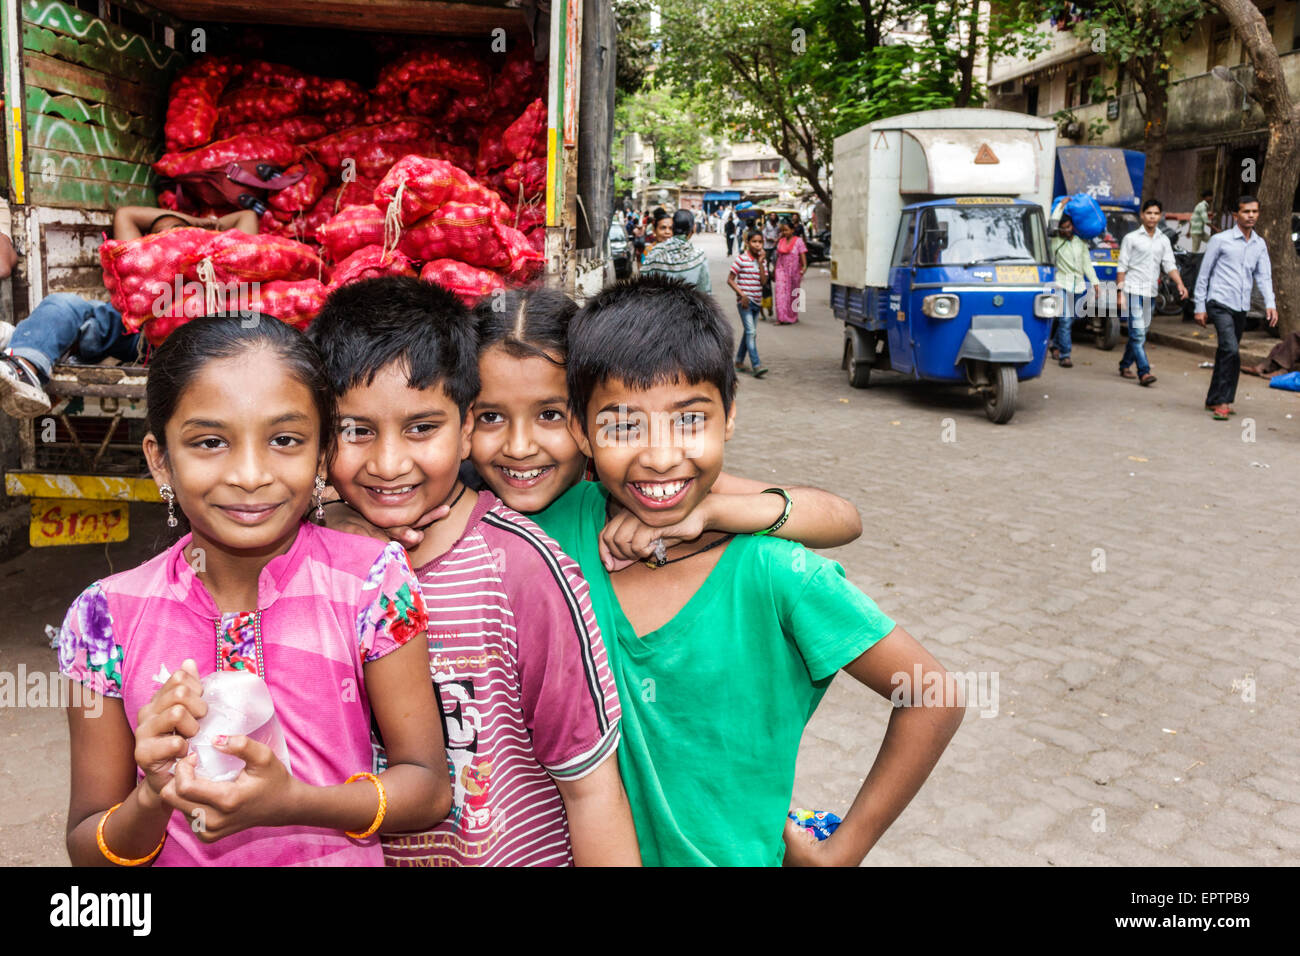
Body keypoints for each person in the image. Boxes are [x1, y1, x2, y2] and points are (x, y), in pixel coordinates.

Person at [530, 275, 964, 866]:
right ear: (581, 429)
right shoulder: (546, 534)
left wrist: (844, 851)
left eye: (690, 420)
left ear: (729, 417)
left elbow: (933, 695)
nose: (660, 455)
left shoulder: (773, 572)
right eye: (623, 424)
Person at [57, 315, 450, 866]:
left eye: (284, 439)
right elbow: (87, 849)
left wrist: (297, 802)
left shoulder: (371, 582)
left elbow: (428, 789)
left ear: (322, 453)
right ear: (160, 460)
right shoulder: (104, 618)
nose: (249, 473)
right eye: (210, 442)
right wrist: (154, 793)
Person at [310, 278, 639, 866]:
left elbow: (590, 787)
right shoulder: (308, 560)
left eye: (420, 428)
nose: (389, 464)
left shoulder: (521, 569)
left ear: (463, 429)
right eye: (355, 430)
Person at [0, 206, 258, 418]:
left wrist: (197, 225)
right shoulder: (143, 259)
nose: (167, 236)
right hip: (139, 337)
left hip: (198, 343)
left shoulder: (226, 261)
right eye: (158, 234)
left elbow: (247, 216)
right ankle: (24, 366)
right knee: (63, 303)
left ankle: (25, 341)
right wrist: (178, 227)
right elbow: (126, 214)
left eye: (176, 231)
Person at [1193, 194, 1276, 420]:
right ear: (1235, 214)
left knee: (1225, 352)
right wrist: (1199, 306)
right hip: (1219, 302)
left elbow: (1264, 276)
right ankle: (1223, 401)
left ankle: (1212, 398)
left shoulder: (1259, 244)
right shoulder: (1221, 240)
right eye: (1246, 211)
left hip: (1241, 306)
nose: (1250, 216)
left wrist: (1271, 304)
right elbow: (1204, 274)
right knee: (1231, 349)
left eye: (1254, 212)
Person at [1116, 198, 1187, 387]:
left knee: (1140, 333)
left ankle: (1124, 364)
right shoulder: (1130, 239)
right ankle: (1144, 372)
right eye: (1149, 213)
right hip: (1132, 290)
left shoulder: (1163, 240)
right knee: (1138, 334)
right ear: (1142, 215)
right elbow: (1122, 267)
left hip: (1150, 293)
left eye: (1156, 214)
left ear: (1160, 216)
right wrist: (1120, 293)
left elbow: (1169, 264)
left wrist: (1180, 283)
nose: (1152, 217)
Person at [1049, 213, 1101, 368]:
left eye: (1068, 227)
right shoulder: (1055, 242)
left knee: (1071, 319)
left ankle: (1055, 344)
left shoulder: (1081, 243)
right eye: (1063, 228)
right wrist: (1061, 206)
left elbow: (1087, 265)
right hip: (1061, 284)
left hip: (1078, 286)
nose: (1066, 230)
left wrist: (1095, 283)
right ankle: (1065, 355)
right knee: (1065, 319)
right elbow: (1052, 222)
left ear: (1073, 226)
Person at [728, 229, 769, 377]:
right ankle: (756, 365)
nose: (757, 245)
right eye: (754, 242)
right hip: (745, 302)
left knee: (748, 333)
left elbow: (763, 282)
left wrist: (760, 263)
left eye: (760, 242)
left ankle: (738, 361)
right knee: (751, 332)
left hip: (757, 303)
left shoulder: (762, 260)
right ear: (747, 243)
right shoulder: (741, 259)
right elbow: (730, 280)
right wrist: (742, 294)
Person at [641, 209, 711, 293]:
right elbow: (705, 292)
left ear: (673, 227)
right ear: (694, 228)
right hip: (688, 305)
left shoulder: (654, 253)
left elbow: (643, 287)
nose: (666, 232)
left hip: (660, 305)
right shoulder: (699, 256)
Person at [772, 219, 807, 325]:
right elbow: (778, 256)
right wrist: (774, 270)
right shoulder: (781, 241)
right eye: (783, 230)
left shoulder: (798, 241)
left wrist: (803, 268)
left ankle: (792, 316)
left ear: (792, 230)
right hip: (781, 270)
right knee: (780, 293)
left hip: (794, 272)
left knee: (792, 295)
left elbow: (803, 257)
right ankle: (781, 318)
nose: (785, 232)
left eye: (786, 230)